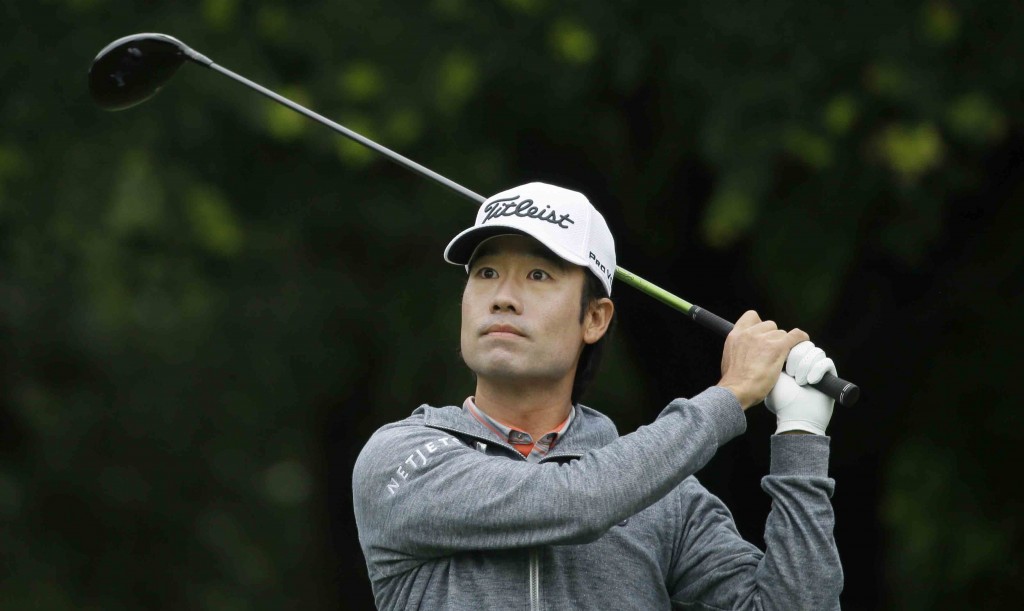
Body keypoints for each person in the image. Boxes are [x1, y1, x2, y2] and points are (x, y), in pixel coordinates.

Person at [352, 182, 843, 610]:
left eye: (538, 275)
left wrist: (801, 437)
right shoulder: (404, 458)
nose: (502, 296)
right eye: (486, 274)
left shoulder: (661, 495)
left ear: (595, 319)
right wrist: (729, 396)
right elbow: (577, 501)